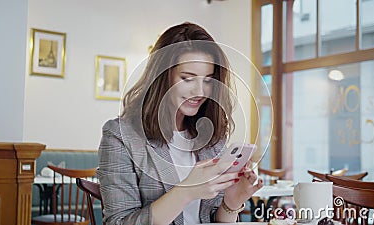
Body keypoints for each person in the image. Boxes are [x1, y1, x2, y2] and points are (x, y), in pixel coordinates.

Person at [97, 22, 263, 225]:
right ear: (161, 78)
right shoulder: (121, 137)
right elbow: (118, 222)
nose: (200, 91)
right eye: (187, 78)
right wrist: (186, 192)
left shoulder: (211, 139)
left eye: (208, 80)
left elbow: (211, 219)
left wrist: (231, 203)